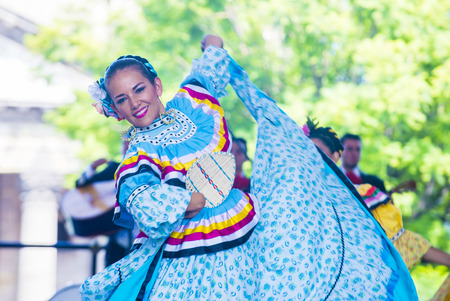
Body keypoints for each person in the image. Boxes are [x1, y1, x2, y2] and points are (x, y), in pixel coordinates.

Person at [80, 35, 417, 300]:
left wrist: (212, 43)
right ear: (116, 109)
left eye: (139, 89)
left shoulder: (193, 99)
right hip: (188, 254)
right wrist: (192, 198)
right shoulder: (139, 153)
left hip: (247, 228)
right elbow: (143, 201)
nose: (135, 101)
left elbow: (211, 61)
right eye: (122, 99)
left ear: (156, 86)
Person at [304, 118, 450, 300]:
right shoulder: (304, 200)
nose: (312, 157)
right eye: (306, 151)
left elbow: (399, 239)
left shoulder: (368, 189)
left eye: (318, 152)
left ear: (335, 156)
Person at [75, 141, 134, 267]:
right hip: (118, 241)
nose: (128, 148)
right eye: (125, 145)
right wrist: (92, 169)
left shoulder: (154, 170)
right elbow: (81, 186)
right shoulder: (114, 169)